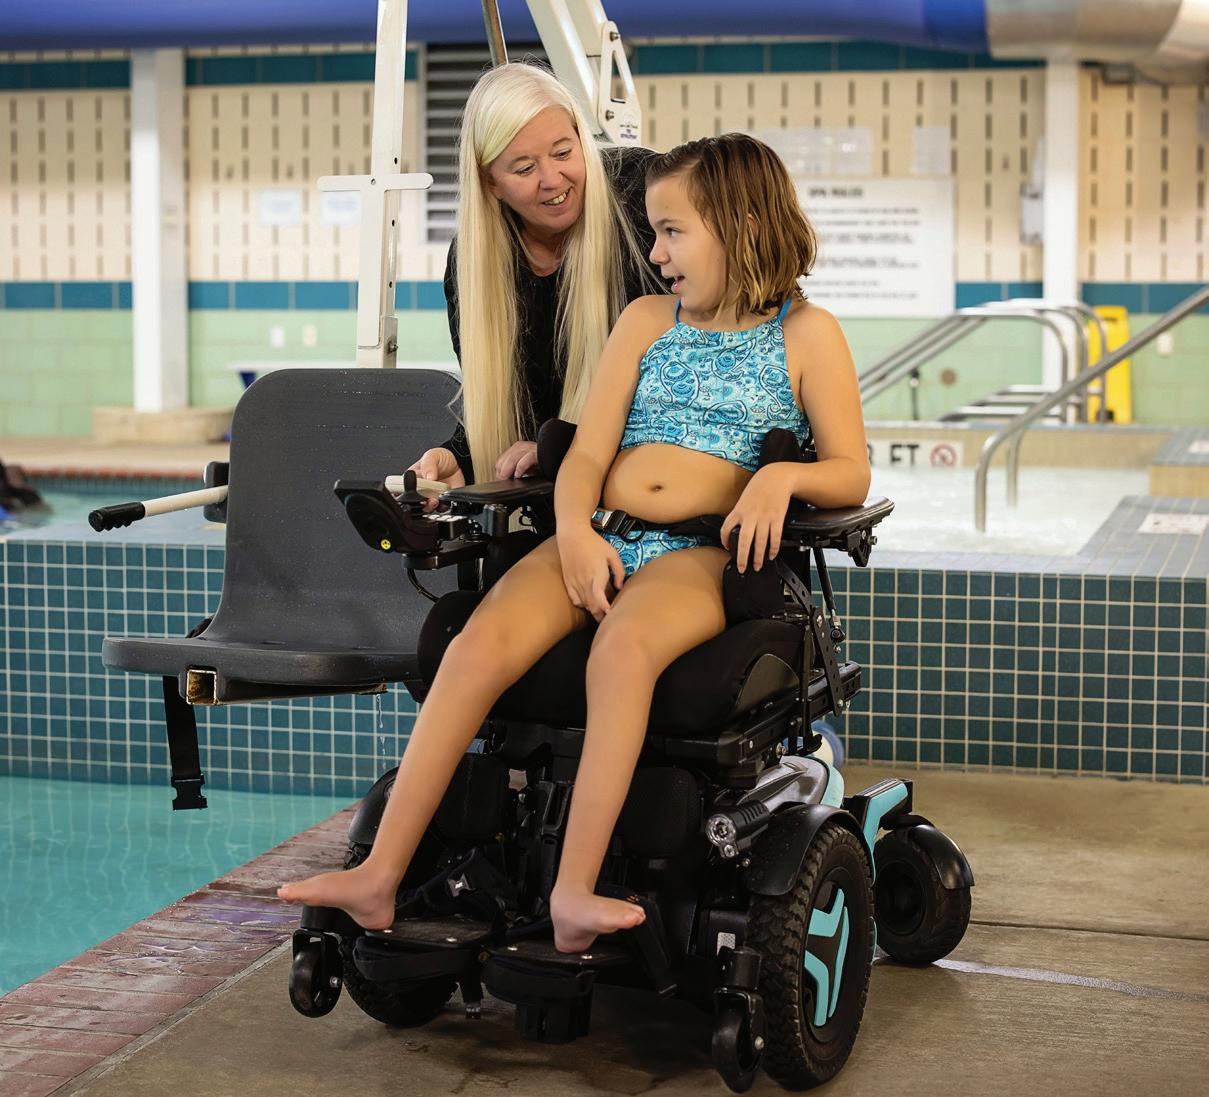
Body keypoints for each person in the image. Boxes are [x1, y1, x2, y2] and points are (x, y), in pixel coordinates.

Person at [280, 133, 870, 955]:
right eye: (655, 233)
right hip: (597, 533)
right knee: (476, 643)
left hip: (700, 554)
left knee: (620, 651)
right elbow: (586, 457)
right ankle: (379, 875)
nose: (655, 254)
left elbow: (849, 471)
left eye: (672, 232)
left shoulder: (807, 334)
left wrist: (780, 478)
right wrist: (575, 537)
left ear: (740, 225)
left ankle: (573, 891)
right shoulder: (644, 322)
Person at [411, 61, 661, 489]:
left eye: (563, 153)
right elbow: (511, 410)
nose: (552, 179)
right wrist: (459, 460)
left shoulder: (644, 197)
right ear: (490, 183)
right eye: (524, 169)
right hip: (557, 495)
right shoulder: (473, 263)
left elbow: (691, 393)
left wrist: (562, 449)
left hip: (648, 488)